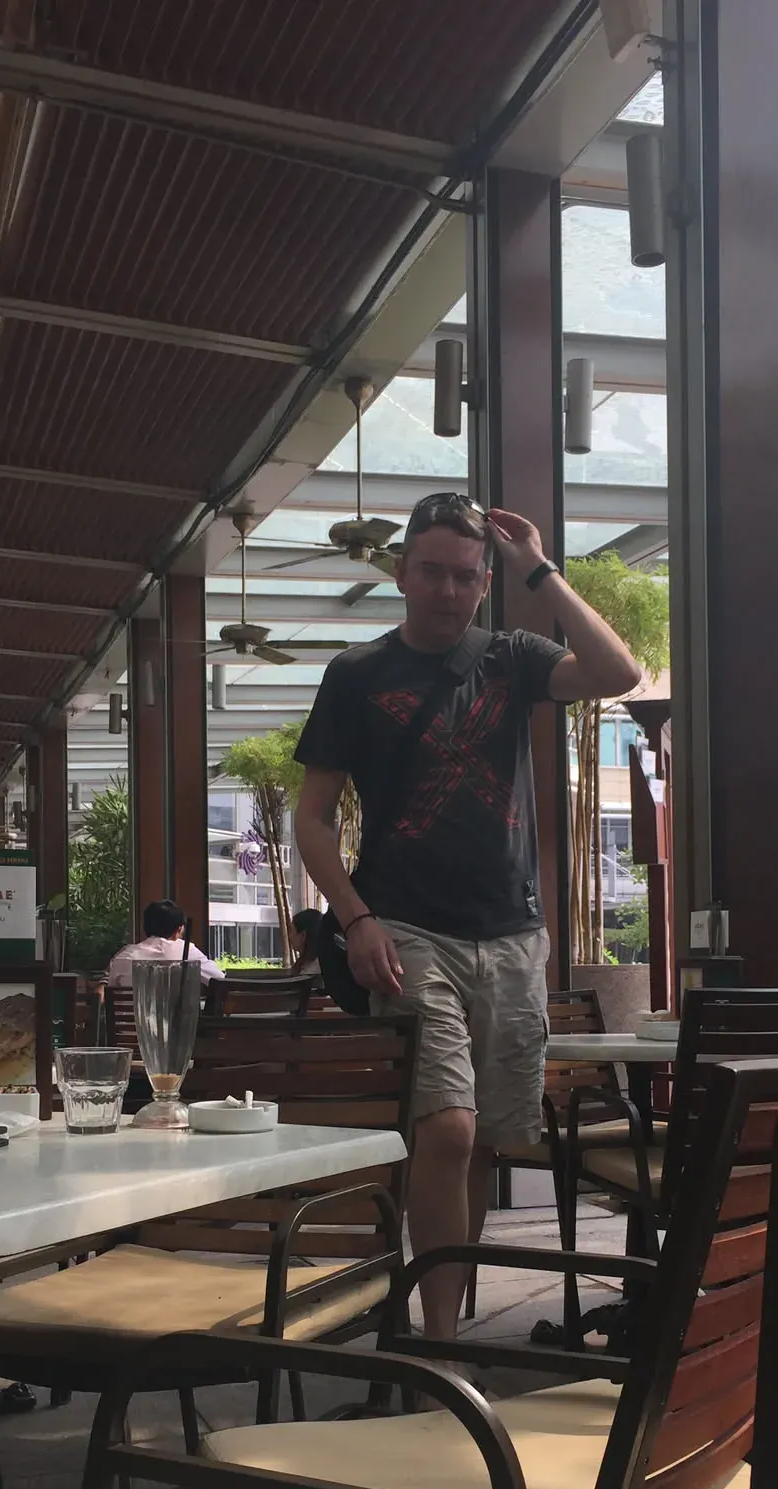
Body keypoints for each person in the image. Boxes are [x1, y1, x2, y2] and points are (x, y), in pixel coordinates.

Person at [294, 494, 641, 1343]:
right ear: (401, 574)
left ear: (485, 581)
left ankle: (443, 1323)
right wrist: (356, 919)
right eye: (431, 573)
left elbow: (618, 674)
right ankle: (440, 1342)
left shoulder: (512, 658)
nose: (448, 591)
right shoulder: (357, 675)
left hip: (511, 934)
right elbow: (313, 818)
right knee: (446, 1127)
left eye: (464, 576)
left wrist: (541, 571)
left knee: (481, 1138)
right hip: (407, 930)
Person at [106, 900, 225, 989]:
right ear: (178, 930)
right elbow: (219, 979)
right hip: (173, 1017)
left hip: (129, 1016)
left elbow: (110, 991)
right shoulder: (186, 950)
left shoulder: (124, 956)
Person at [289, 907, 323, 976]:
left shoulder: (314, 970)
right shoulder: (306, 964)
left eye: (291, 931)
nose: (290, 936)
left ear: (303, 935)